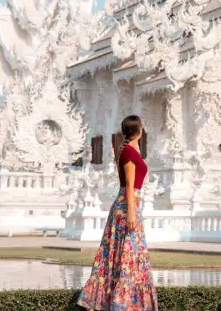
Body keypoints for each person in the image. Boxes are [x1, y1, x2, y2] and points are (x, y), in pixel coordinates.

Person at [78, 115, 158, 310]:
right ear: (138, 130)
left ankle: (127, 302)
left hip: (131, 204)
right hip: (126, 206)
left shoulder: (130, 149)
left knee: (128, 252)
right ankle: (122, 303)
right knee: (128, 253)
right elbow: (130, 185)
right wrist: (131, 213)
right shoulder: (129, 152)